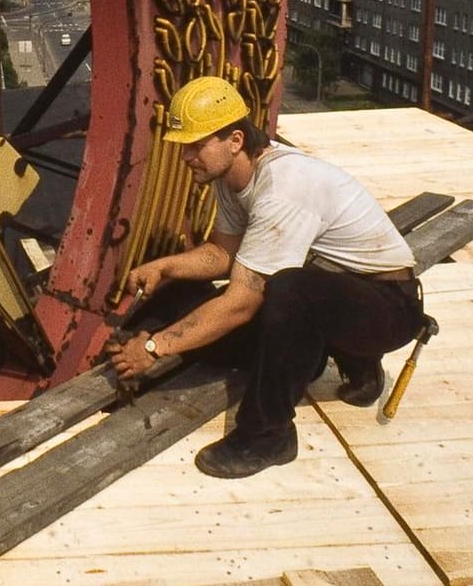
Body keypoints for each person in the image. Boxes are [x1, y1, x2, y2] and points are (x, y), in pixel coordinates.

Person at [106, 76, 424, 479]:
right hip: (340, 299)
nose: (186, 156)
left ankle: (267, 435)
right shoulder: (231, 178)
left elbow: (242, 300)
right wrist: (165, 267)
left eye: (195, 144)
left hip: (389, 309)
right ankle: (329, 359)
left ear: (235, 140)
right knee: (201, 307)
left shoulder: (283, 187)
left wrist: (154, 346)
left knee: (288, 289)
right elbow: (224, 254)